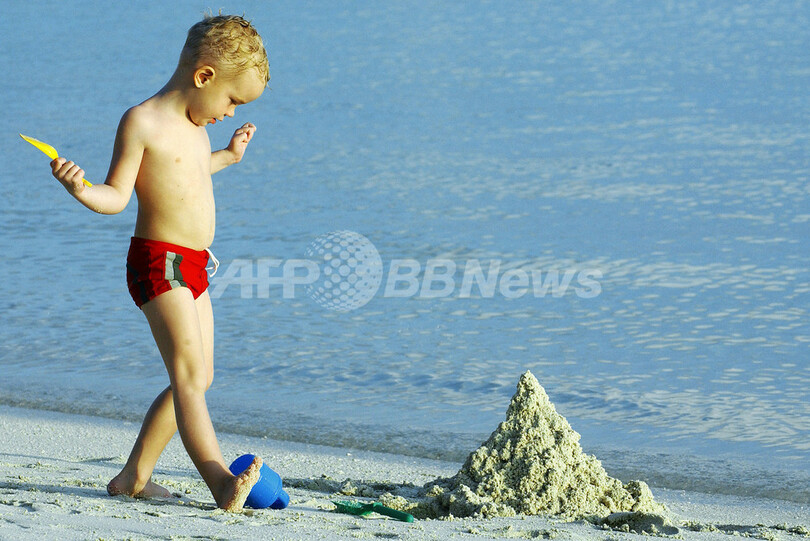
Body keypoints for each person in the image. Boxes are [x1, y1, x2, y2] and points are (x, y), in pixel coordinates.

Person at [49, 13, 270, 512]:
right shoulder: (142, 120)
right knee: (190, 376)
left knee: (197, 377)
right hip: (158, 261)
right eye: (233, 100)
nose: (232, 113)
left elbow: (188, 170)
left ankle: (133, 476)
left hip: (194, 265)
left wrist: (227, 157)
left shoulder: (195, 125)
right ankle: (218, 479)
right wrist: (81, 188)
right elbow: (118, 195)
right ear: (204, 76)